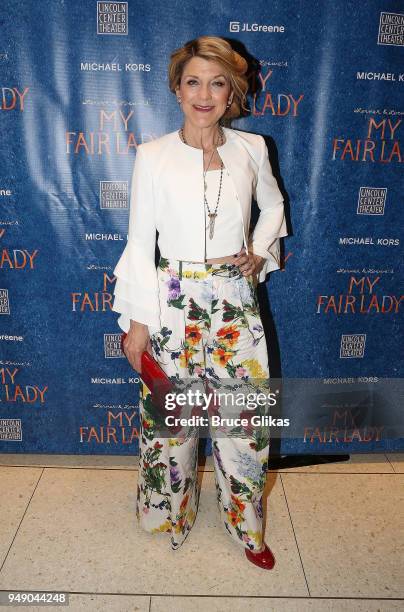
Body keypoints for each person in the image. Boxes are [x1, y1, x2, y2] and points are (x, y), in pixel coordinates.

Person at [112, 36, 288, 570]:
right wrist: (138, 323)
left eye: (217, 82)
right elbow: (141, 242)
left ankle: (245, 527)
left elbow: (274, 204)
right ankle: (169, 512)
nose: (204, 94)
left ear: (233, 91)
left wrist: (259, 251)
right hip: (172, 302)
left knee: (245, 420)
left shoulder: (252, 148)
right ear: (177, 88)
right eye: (194, 82)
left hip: (235, 302)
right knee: (172, 421)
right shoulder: (153, 155)